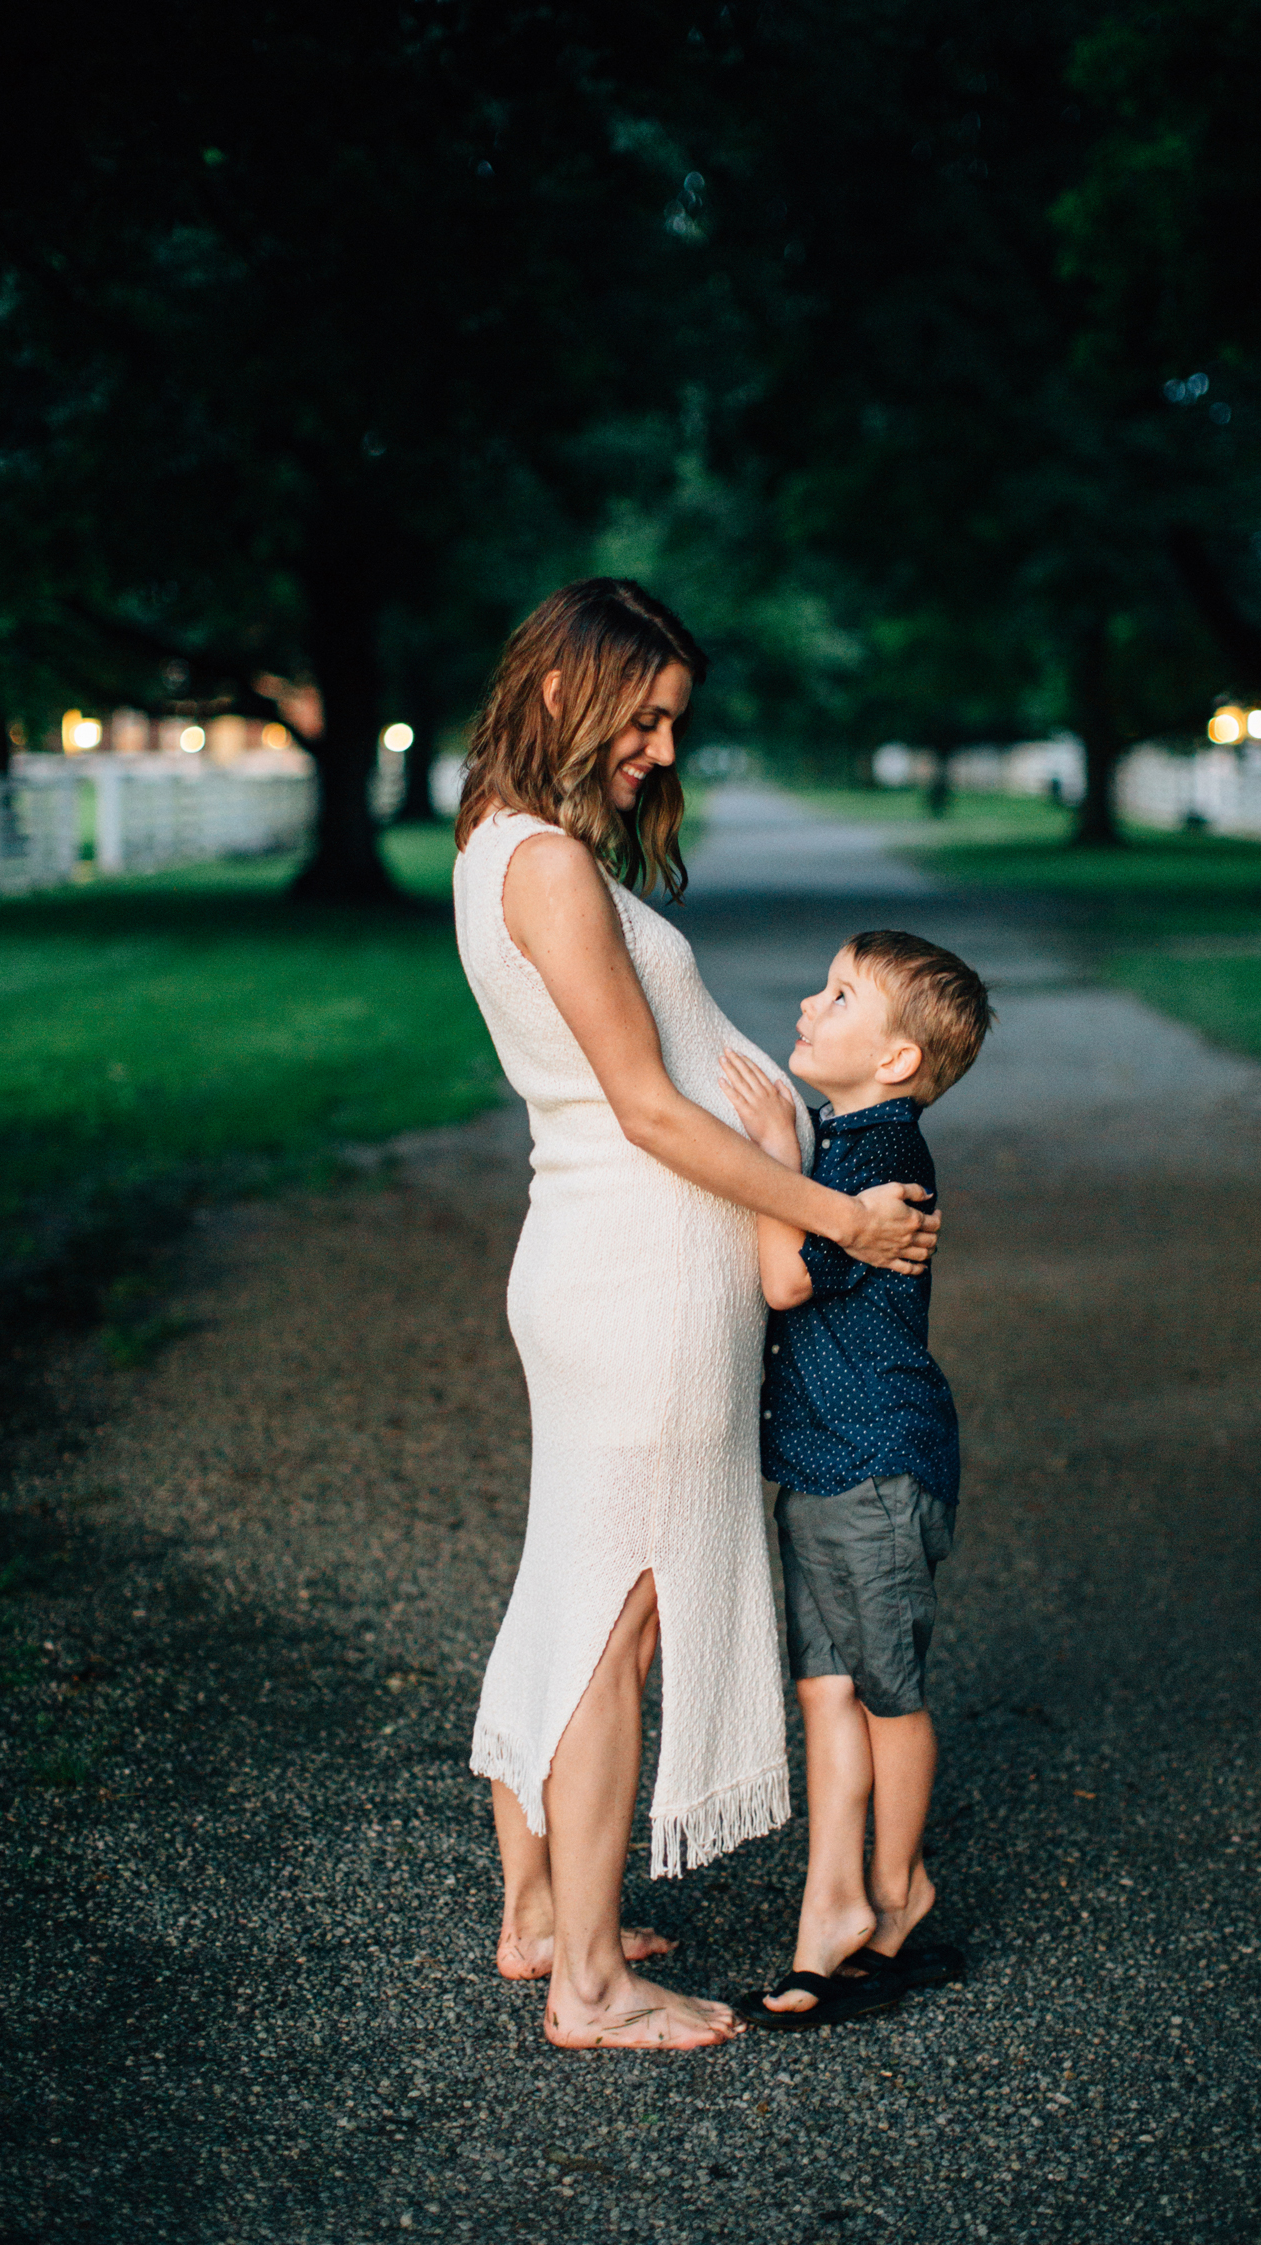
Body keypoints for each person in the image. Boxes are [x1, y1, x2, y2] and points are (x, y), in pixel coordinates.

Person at [451, 581, 942, 2051]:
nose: (662, 749)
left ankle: (543, 1915)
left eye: (674, 722)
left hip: (601, 1266)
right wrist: (839, 1218)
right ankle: (593, 1986)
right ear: (562, 689)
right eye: (647, 716)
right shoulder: (547, 866)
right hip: (638, 1280)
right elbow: (652, 1110)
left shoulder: (502, 846)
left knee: (574, 1589)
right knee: (620, 1617)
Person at [717, 930, 991, 2029]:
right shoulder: (847, 1140)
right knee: (825, 1688)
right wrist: (791, 1157)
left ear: (895, 1060)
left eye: (839, 996)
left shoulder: (878, 1156)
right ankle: (832, 1909)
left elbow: (786, 1279)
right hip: (823, 1461)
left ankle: (897, 1888)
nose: (808, 1003)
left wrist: (765, 1155)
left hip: (875, 1462)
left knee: (885, 1693)